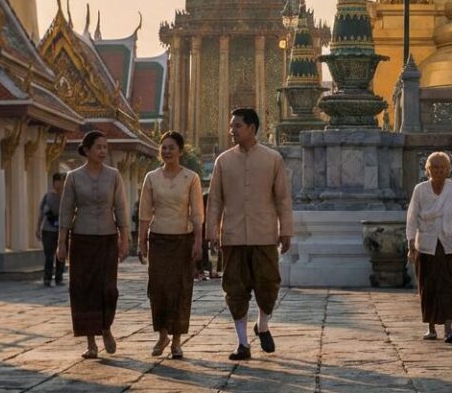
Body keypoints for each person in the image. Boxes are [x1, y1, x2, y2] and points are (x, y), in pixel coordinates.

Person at [205, 107, 293, 361]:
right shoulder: (223, 160)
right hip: (232, 235)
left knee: (268, 286)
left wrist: (285, 229)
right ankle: (242, 343)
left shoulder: (272, 158)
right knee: (235, 288)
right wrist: (212, 230)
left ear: (252, 128)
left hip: (264, 234)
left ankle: (262, 325)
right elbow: (215, 200)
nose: (232, 130)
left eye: (237, 126)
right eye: (231, 126)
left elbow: (283, 198)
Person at [55, 131, 130, 359]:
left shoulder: (114, 175)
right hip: (82, 240)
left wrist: (124, 238)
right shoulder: (74, 177)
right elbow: (66, 211)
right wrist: (61, 243)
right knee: (83, 289)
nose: (103, 151)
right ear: (86, 150)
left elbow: (120, 208)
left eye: (105, 147)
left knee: (109, 289)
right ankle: (90, 342)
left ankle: (105, 327)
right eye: (98, 147)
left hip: (107, 238)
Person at [137, 131, 204, 359]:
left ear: (180, 151)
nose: (167, 151)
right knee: (158, 290)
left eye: (171, 147)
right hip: (158, 239)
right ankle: (162, 335)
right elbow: (145, 212)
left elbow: (196, 213)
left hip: (182, 240)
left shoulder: (191, 178)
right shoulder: (151, 178)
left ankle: (176, 341)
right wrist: (141, 241)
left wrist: (198, 240)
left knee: (180, 290)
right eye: (163, 147)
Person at [406, 151, 452, 344]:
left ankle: (449, 329)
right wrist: (410, 243)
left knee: (449, 286)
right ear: (428, 170)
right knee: (428, 286)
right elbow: (412, 216)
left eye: (442, 168)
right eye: (434, 167)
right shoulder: (420, 189)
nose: (438, 171)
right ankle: (431, 327)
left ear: (448, 170)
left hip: (449, 242)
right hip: (426, 244)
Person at [36, 172, 66, 287]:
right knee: (49, 256)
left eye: (62, 182)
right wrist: (38, 228)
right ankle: (47, 278)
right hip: (48, 230)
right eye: (58, 182)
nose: (60, 184)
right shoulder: (48, 196)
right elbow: (41, 213)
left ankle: (59, 278)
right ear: (53, 183)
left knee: (61, 255)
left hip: (62, 230)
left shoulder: (67, 197)